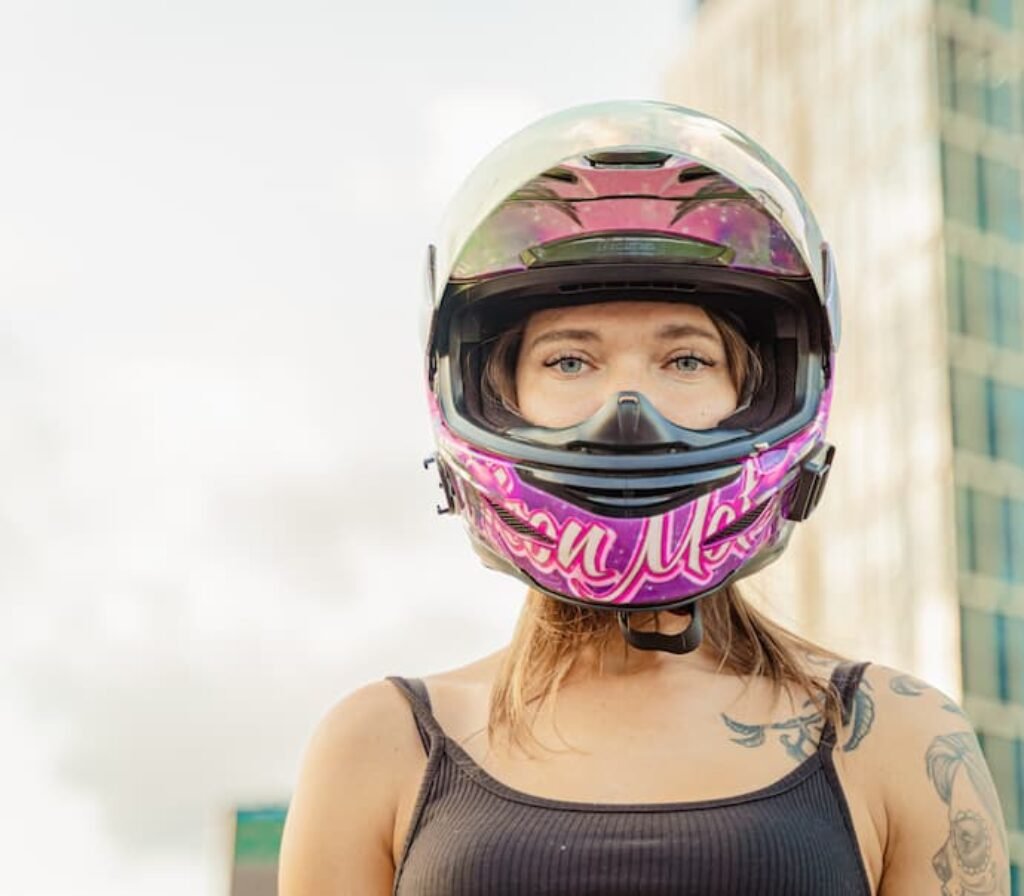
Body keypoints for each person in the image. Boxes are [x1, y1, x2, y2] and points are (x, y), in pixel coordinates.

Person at [278, 101, 1010, 895]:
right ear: (495, 393)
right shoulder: (380, 745)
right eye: (568, 362)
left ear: (755, 393)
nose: (629, 409)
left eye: (686, 361)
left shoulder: (895, 737)